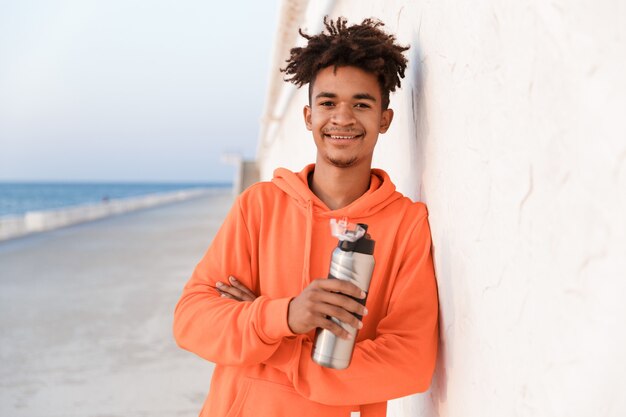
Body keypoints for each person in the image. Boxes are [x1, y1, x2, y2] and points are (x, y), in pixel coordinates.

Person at [173, 16, 438, 417]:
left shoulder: (406, 225)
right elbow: (192, 320)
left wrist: (273, 338)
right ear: (308, 116)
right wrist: (286, 314)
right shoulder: (259, 205)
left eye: (361, 104)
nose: (343, 118)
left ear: (384, 119)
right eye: (328, 102)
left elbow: (409, 363)